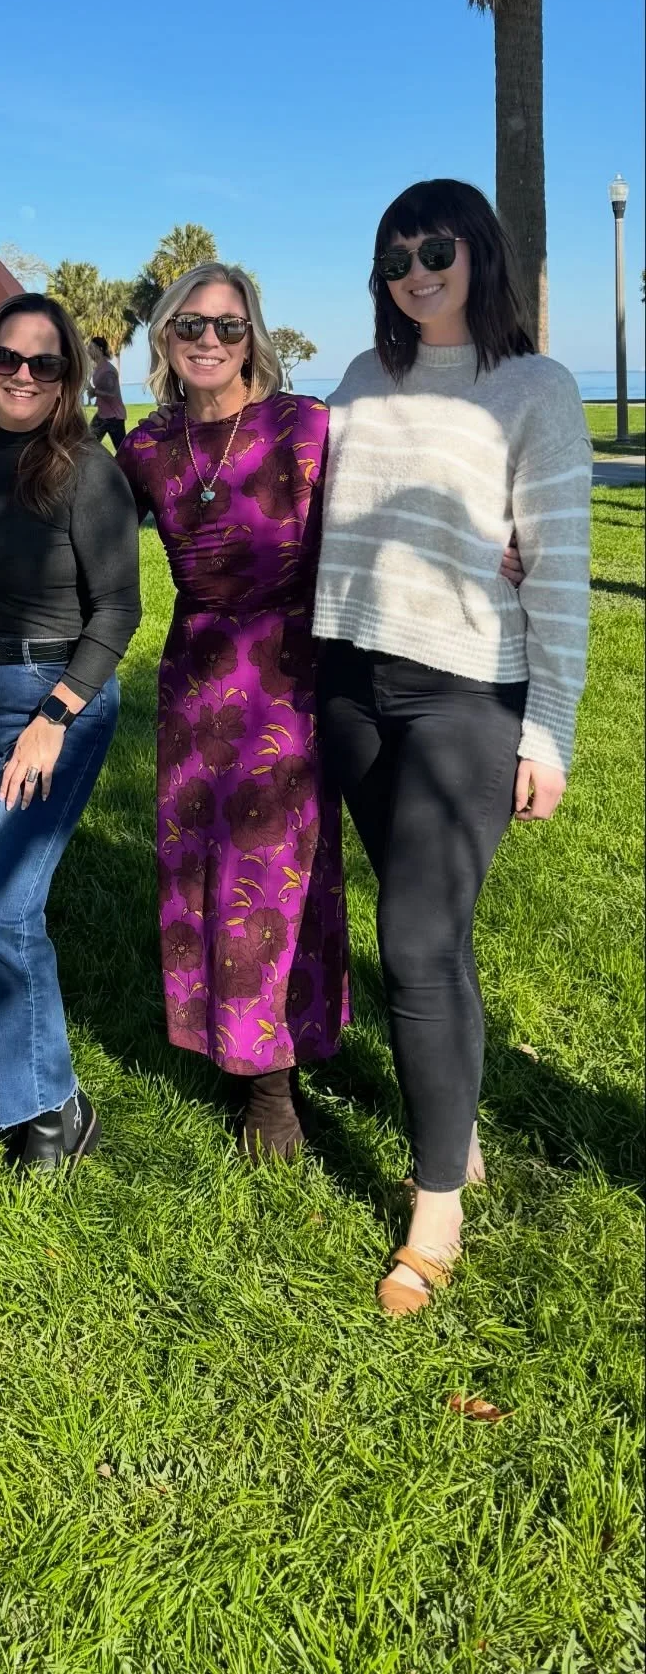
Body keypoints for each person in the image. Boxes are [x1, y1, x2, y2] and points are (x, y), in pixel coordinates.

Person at [314, 178, 592, 1314]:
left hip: (466, 695)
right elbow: (295, 493)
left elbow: (562, 564)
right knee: (436, 933)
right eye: (396, 256)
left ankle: (437, 1208)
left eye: (435, 247)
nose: (417, 269)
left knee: (416, 940)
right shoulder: (357, 381)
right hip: (350, 685)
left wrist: (552, 730)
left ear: (478, 250)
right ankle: (458, 1127)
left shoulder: (536, 387)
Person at [115, 265, 349, 1161]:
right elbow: (73, 526)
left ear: (254, 334)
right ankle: (236, 1040)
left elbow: (377, 521)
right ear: (165, 338)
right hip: (197, 676)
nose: (208, 341)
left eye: (228, 325)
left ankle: (273, 1085)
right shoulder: (150, 445)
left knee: (280, 868)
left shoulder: (308, 427)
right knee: (208, 871)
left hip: (291, 675)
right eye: (190, 326)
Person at [0, 294, 141, 1170]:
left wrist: (55, 714)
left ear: (68, 380)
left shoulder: (87, 470)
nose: (21, 375)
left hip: (48, 698)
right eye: (6, 359)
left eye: (43, 364)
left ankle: (49, 1110)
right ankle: (19, 1087)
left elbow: (120, 609)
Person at [86, 336, 127, 451]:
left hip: (114, 417)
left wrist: (95, 392)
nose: (88, 350)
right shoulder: (98, 367)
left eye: (91, 348)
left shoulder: (108, 370)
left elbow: (111, 395)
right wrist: (93, 392)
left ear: (99, 349)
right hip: (103, 415)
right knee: (88, 445)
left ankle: (130, 468)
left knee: (122, 451)